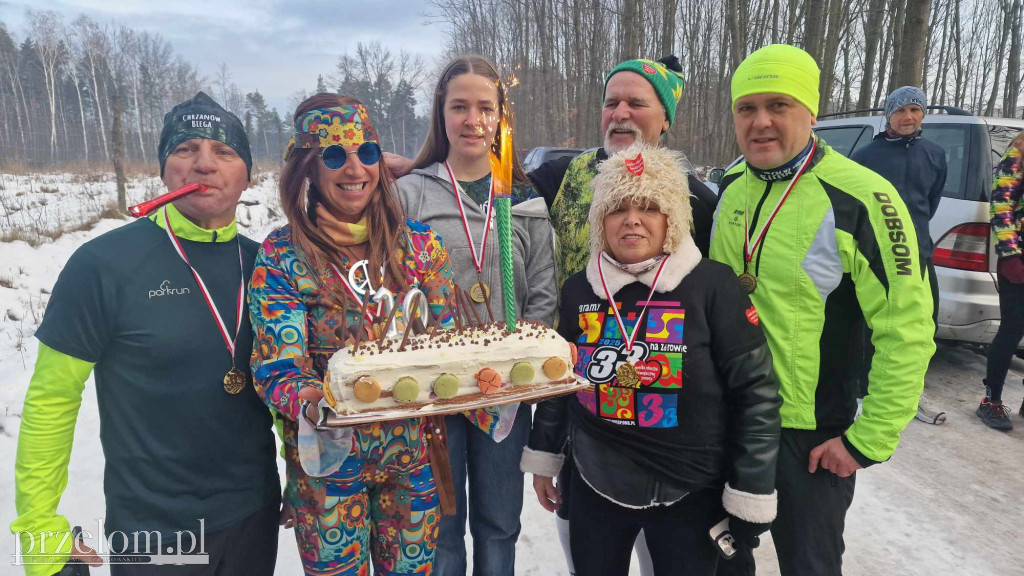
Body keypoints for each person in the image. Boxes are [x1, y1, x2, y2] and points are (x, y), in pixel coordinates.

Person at [11, 92, 281, 576]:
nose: (203, 165)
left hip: (254, 514)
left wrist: (304, 478)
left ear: (246, 174)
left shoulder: (267, 266)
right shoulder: (104, 265)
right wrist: (39, 527)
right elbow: (51, 400)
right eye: (184, 150)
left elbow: (285, 382)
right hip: (154, 530)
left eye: (224, 152)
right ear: (163, 170)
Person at [248, 93, 511, 576]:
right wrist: (312, 398)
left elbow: (445, 346)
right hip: (327, 464)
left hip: (411, 459)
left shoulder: (418, 245)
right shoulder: (283, 256)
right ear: (307, 167)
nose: (354, 168)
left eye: (366, 152)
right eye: (333, 155)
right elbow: (276, 367)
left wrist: (500, 381)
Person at [709, 45, 935, 576]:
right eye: (747, 108)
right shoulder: (729, 190)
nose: (760, 122)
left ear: (810, 113)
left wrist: (867, 440)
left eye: (778, 105)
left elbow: (907, 327)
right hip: (729, 422)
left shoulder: (864, 196)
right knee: (719, 561)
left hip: (810, 437)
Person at [522, 144, 781, 576]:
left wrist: (749, 490)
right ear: (600, 220)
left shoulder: (712, 286)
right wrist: (545, 458)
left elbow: (756, 393)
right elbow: (558, 383)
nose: (632, 219)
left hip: (691, 487)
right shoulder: (579, 290)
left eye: (650, 208)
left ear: (673, 219)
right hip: (595, 480)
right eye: (617, 208)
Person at [395, 55, 557, 576]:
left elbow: (542, 295)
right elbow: (394, 293)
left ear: (501, 117)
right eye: (459, 106)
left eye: (485, 107)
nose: (473, 119)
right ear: (440, 115)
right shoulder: (411, 194)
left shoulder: (525, 197)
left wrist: (520, 365)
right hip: (436, 390)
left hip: (504, 391)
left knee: (499, 521)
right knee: (443, 522)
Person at [527, 55, 720, 287]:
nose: (619, 114)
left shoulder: (692, 197)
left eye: (636, 104)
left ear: (666, 119)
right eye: (611, 103)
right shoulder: (561, 178)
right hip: (577, 321)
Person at [850, 86, 947, 422]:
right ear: (888, 114)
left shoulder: (935, 154)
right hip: (874, 253)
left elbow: (929, 203)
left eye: (915, 111)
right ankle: (863, 392)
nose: (908, 117)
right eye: (901, 111)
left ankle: (910, 395)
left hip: (917, 252)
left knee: (920, 327)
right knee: (869, 325)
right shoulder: (866, 156)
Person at [982, 130, 1024, 431]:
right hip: (1018, 259)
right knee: (1012, 330)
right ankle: (991, 400)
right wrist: (1010, 254)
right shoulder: (1018, 153)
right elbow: (1001, 203)